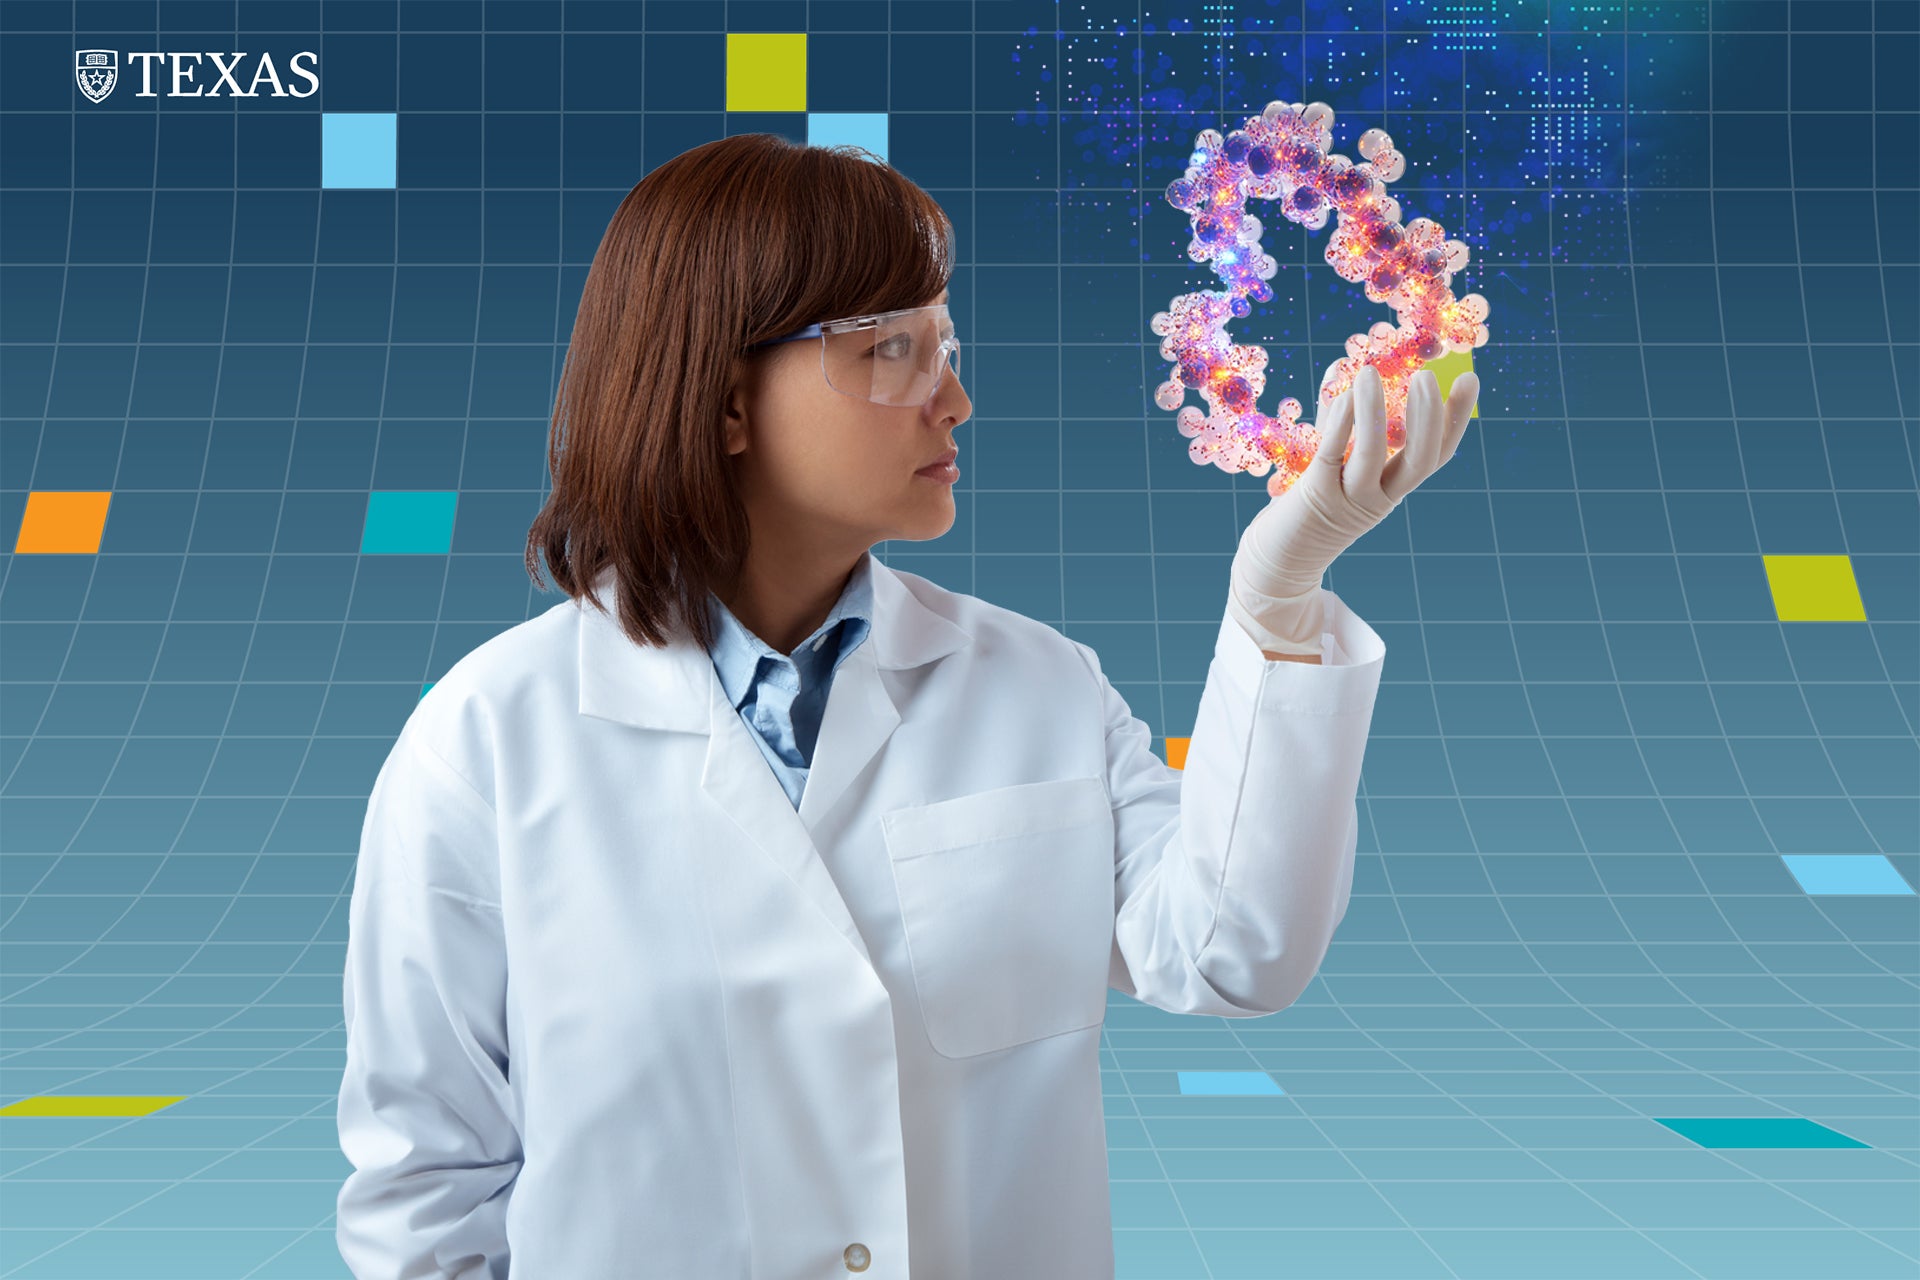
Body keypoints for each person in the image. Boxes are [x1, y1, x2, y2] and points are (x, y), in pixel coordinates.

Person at [336, 133, 1478, 1279]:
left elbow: (1234, 952)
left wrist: (1278, 600)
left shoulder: (1037, 687)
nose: (957, 399)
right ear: (727, 400)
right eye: (892, 350)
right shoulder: (488, 741)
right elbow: (426, 1188)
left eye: (946, 343)